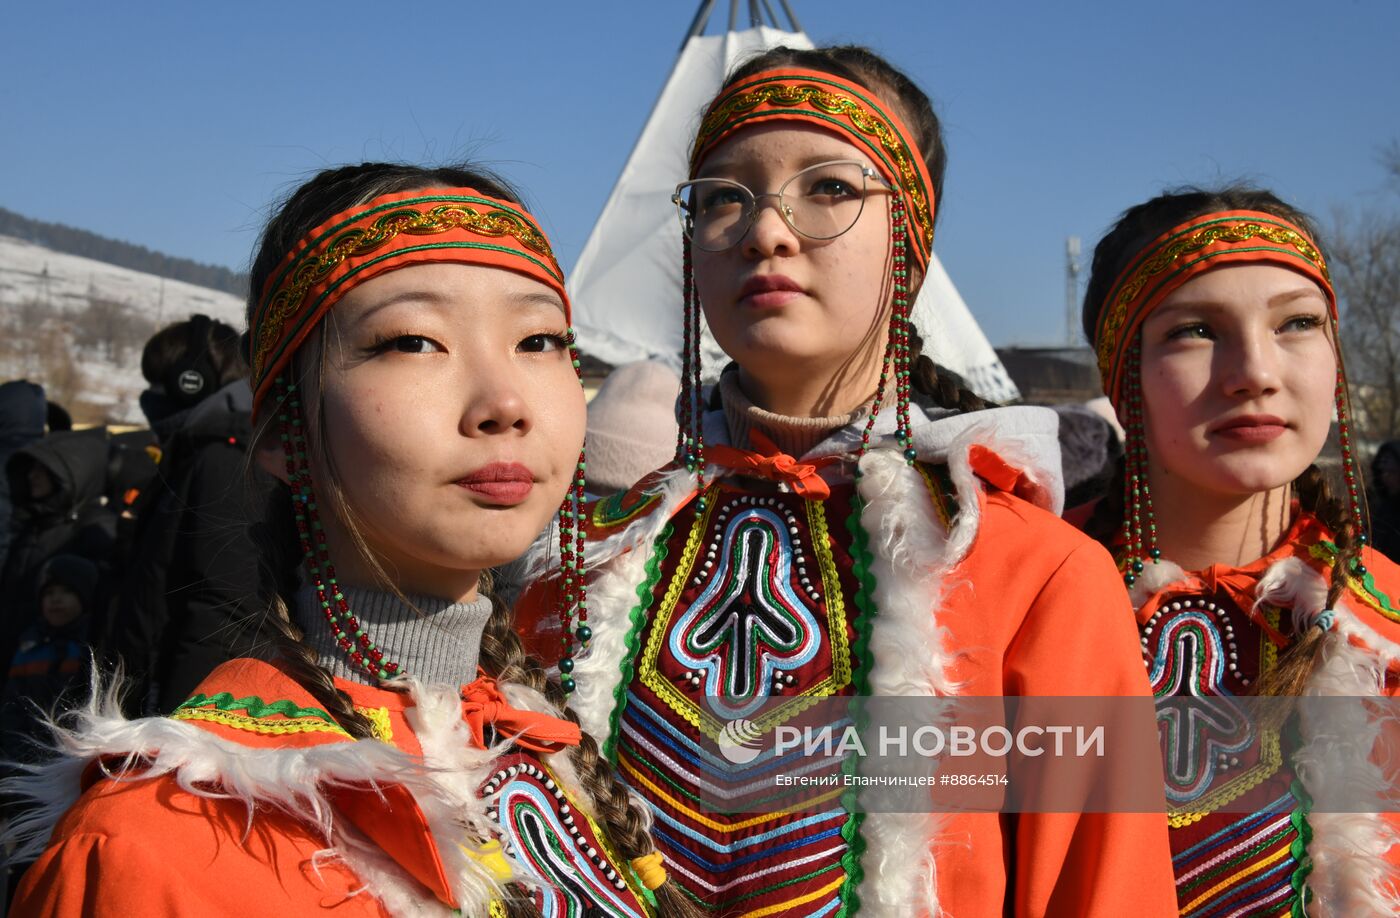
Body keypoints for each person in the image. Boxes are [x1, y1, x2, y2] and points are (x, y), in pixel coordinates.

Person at [518, 47, 1175, 917]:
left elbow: (1103, 893)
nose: (766, 229)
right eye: (723, 197)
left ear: (912, 243)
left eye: (829, 188)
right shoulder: (593, 555)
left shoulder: (1041, 577)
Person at [5, 163, 693, 916]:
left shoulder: (553, 754)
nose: (506, 401)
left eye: (539, 339)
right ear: (281, 431)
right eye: (413, 342)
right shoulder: (158, 846)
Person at [1078, 186, 1400, 915]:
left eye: (1297, 323)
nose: (1255, 371)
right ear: (1120, 378)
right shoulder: (1013, 604)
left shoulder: (1389, 624)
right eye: (1194, 330)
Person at [112, 315, 271, 712]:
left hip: (176, 716)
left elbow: (221, 618)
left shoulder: (227, 460)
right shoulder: (195, 452)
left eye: (160, 383)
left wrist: (179, 732)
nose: (150, 396)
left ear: (192, 382)